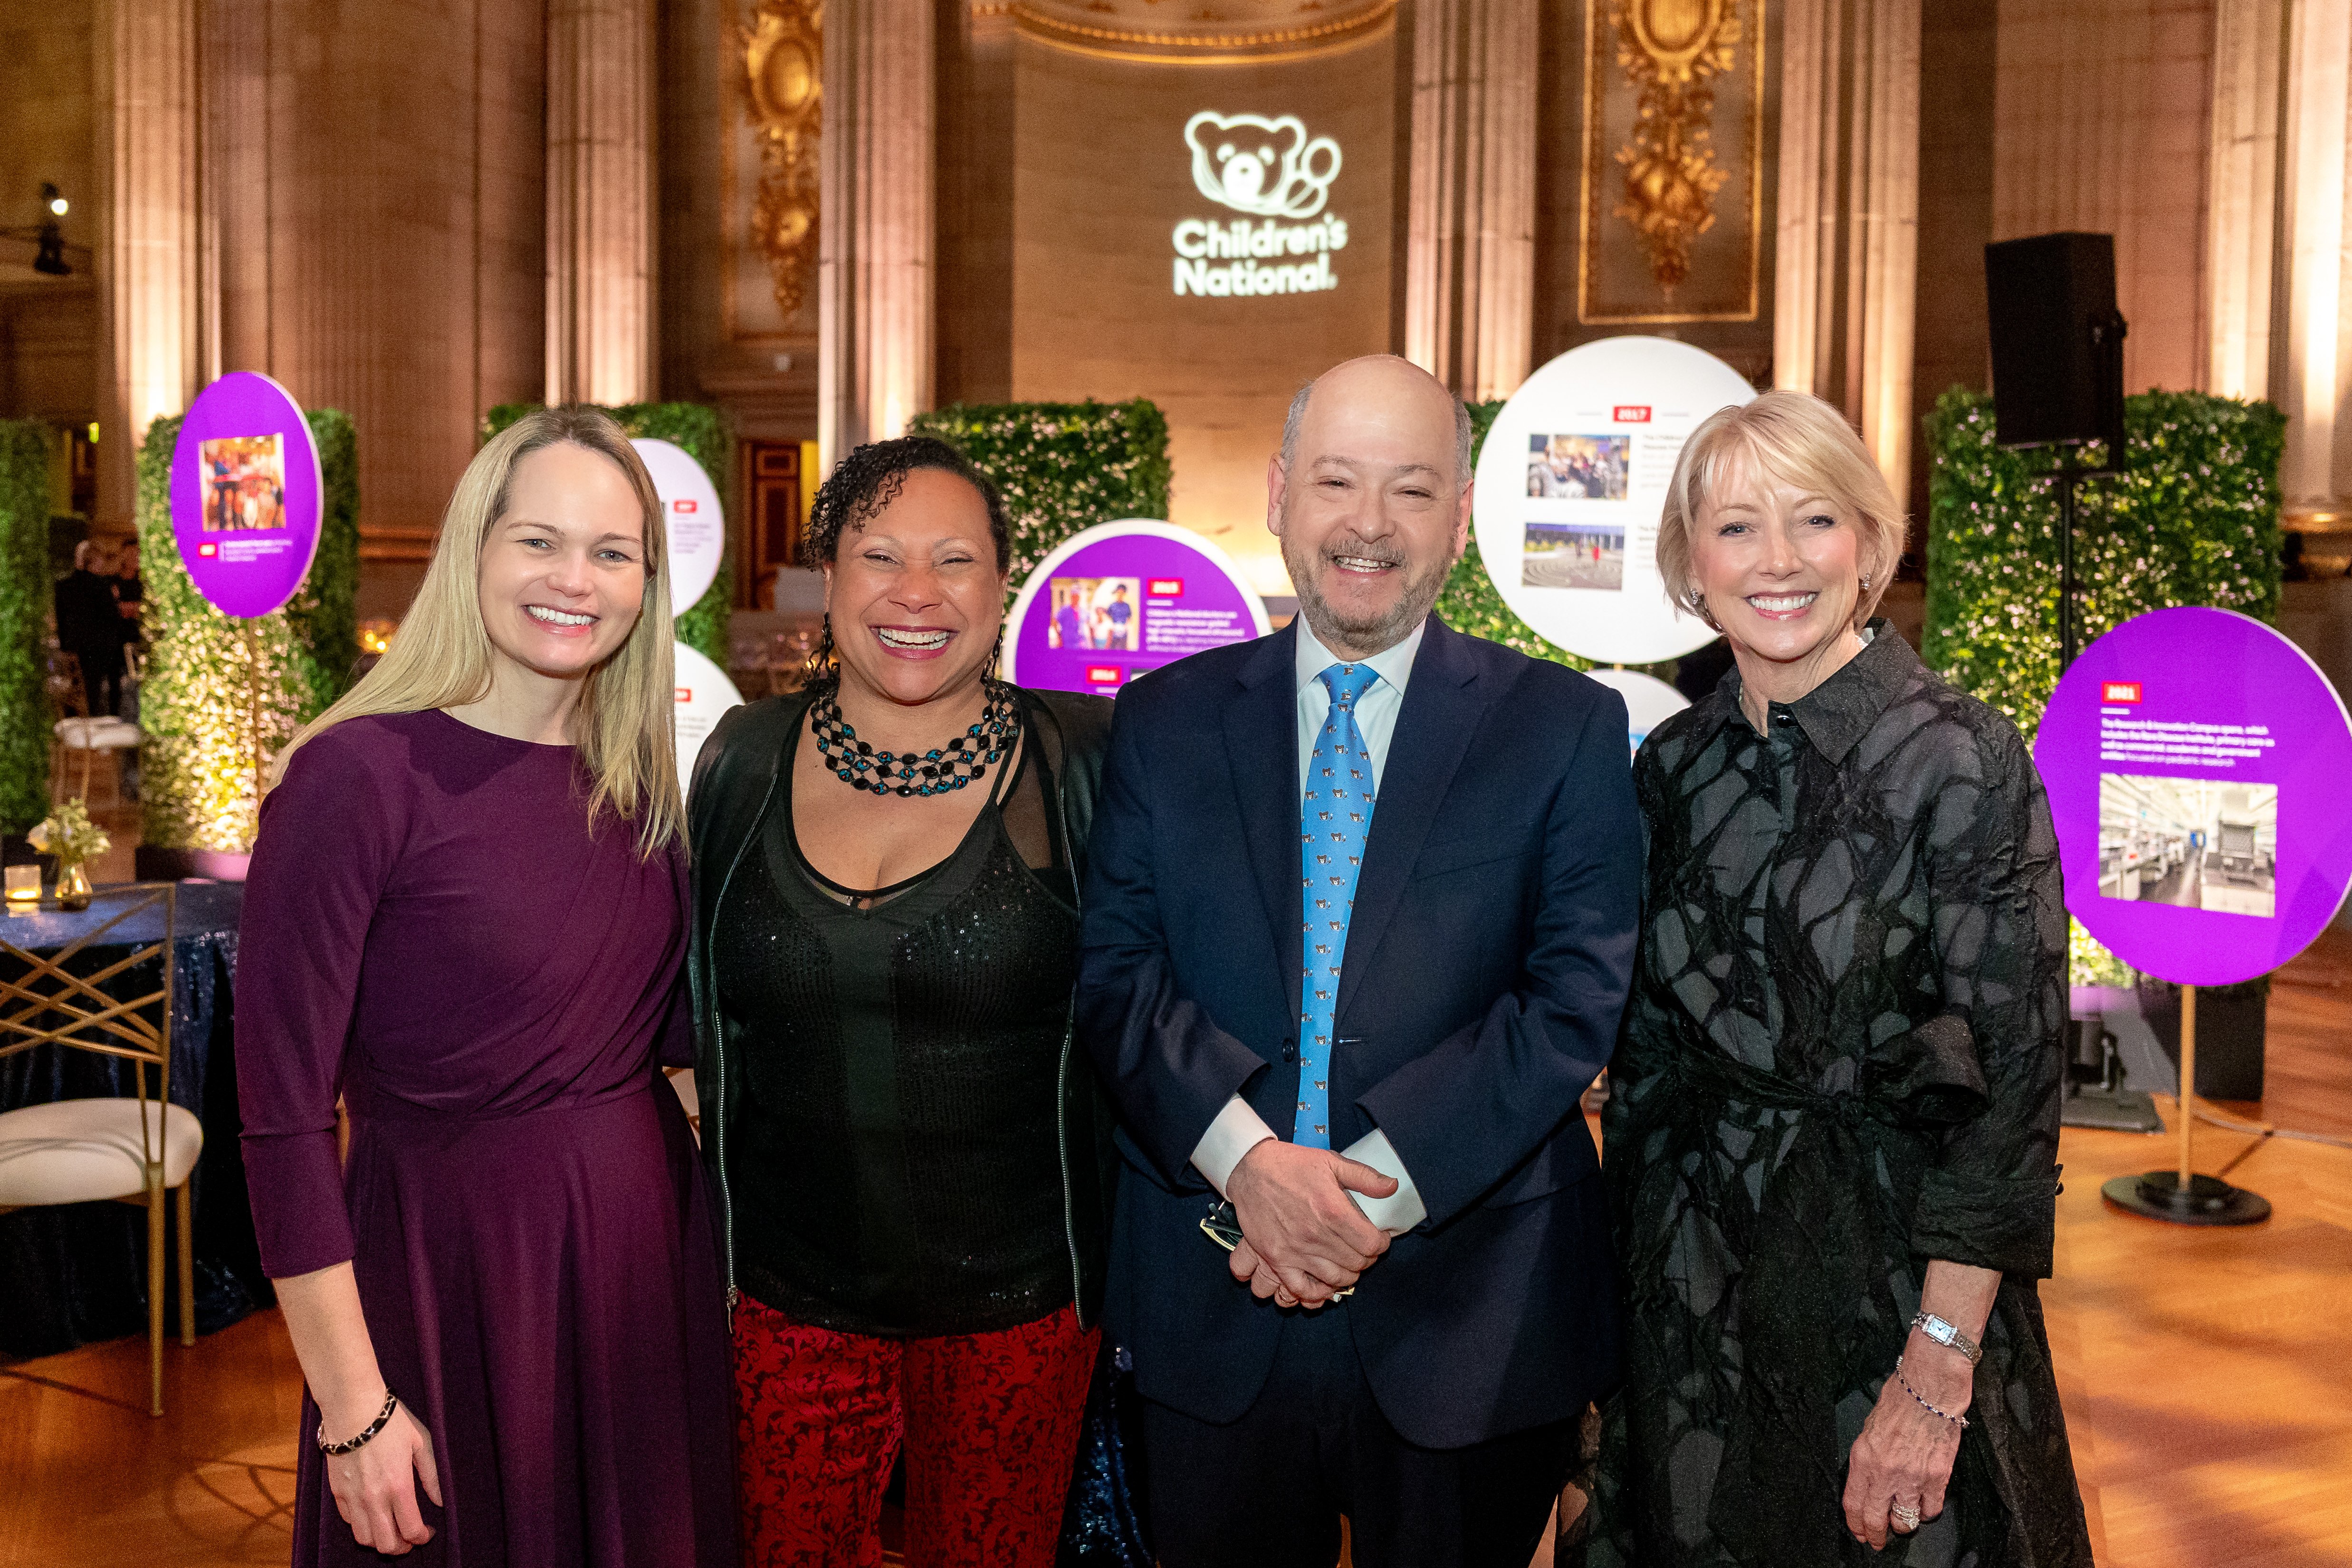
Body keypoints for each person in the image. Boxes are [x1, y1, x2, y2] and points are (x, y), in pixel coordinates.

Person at [1076, 355, 1642, 1568]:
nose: (1368, 525)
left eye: (1412, 489)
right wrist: (1252, 1168)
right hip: (1207, 1301)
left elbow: (1572, 1000)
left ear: (1462, 517)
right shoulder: (1161, 720)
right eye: (1336, 480)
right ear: (1281, 491)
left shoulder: (1565, 729)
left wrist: (1361, 1194)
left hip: (1473, 1314)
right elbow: (1117, 974)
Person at [1575, 390, 2092, 1566]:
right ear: (1688, 560)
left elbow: (2010, 1096)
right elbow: (1646, 1069)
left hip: (1888, 1291)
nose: (1778, 562)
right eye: (1737, 527)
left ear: (1867, 542)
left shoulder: (1960, 755)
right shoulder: (1670, 764)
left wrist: (1939, 1368)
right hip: (1690, 1290)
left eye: (1814, 520)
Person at [237, 407, 737, 1566]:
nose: (576, 579)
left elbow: (673, 1040)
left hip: (638, 1281)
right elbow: (281, 1121)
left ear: (648, 584)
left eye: (613, 553)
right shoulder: (356, 778)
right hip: (445, 1277)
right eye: (538, 541)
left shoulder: (643, 789)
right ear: (475, 550)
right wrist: (353, 1408)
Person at [687, 434, 1119, 1567]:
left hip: (1019, 1316)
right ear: (825, 577)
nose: (917, 593)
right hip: (784, 1311)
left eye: (955, 560)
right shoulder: (738, 758)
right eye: (880, 556)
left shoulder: (1085, 762)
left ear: (1001, 583)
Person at [54, 538, 124, 718]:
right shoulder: (102, 586)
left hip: (75, 647)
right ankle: (97, 726)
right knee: (96, 690)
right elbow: (113, 617)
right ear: (95, 560)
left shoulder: (64, 586)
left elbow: (62, 619)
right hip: (101, 647)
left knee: (76, 688)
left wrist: (66, 646)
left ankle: (74, 724)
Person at [1103, 583, 1134, 650]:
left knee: (1123, 650)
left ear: (1124, 593)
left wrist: (1126, 627)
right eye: (1119, 592)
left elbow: (1130, 618)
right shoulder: (1112, 605)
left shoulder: (1127, 606)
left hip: (1123, 633)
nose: (1120, 594)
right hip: (1114, 633)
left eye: (1122, 592)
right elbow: (1108, 616)